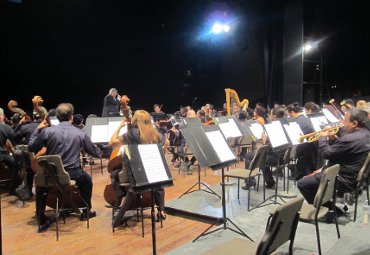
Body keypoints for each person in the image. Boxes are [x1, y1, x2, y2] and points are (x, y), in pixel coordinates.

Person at [28, 103, 102, 228]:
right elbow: (96, 153)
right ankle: (86, 211)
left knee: (41, 185)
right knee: (87, 181)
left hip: (51, 173)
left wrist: (37, 129)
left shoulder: (47, 131)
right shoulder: (80, 133)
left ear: (57, 117)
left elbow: (31, 146)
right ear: (71, 117)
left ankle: (40, 216)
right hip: (73, 173)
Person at [109, 110, 169, 228]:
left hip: (138, 174)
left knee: (115, 174)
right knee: (158, 183)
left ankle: (119, 202)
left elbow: (112, 142)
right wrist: (161, 151)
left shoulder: (133, 133)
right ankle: (161, 211)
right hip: (154, 173)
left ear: (135, 121)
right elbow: (167, 142)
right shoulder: (154, 133)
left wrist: (120, 126)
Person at [297, 108, 370, 205]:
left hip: (343, 177)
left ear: (354, 123)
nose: (342, 123)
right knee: (313, 175)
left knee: (303, 184)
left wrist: (322, 137)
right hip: (352, 174)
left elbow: (326, 153)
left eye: (345, 120)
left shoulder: (349, 139)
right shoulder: (366, 133)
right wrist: (335, 139)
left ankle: (327, 208)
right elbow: (346, 150)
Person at [286, 102, 318, 179]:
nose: (289, 116)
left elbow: (291, 139)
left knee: (284, 154)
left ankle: (296, 172)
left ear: (292, 112)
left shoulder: (295, 122)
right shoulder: (307, 118)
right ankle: (298, 172)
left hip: (303, 149)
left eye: (289, 114)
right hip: (313, 150)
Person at [0, 107, 19, 195]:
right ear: (2, 116)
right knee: (17, 165)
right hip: (2, 155)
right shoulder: (4, 127)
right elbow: (16, 137)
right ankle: (12, 189)